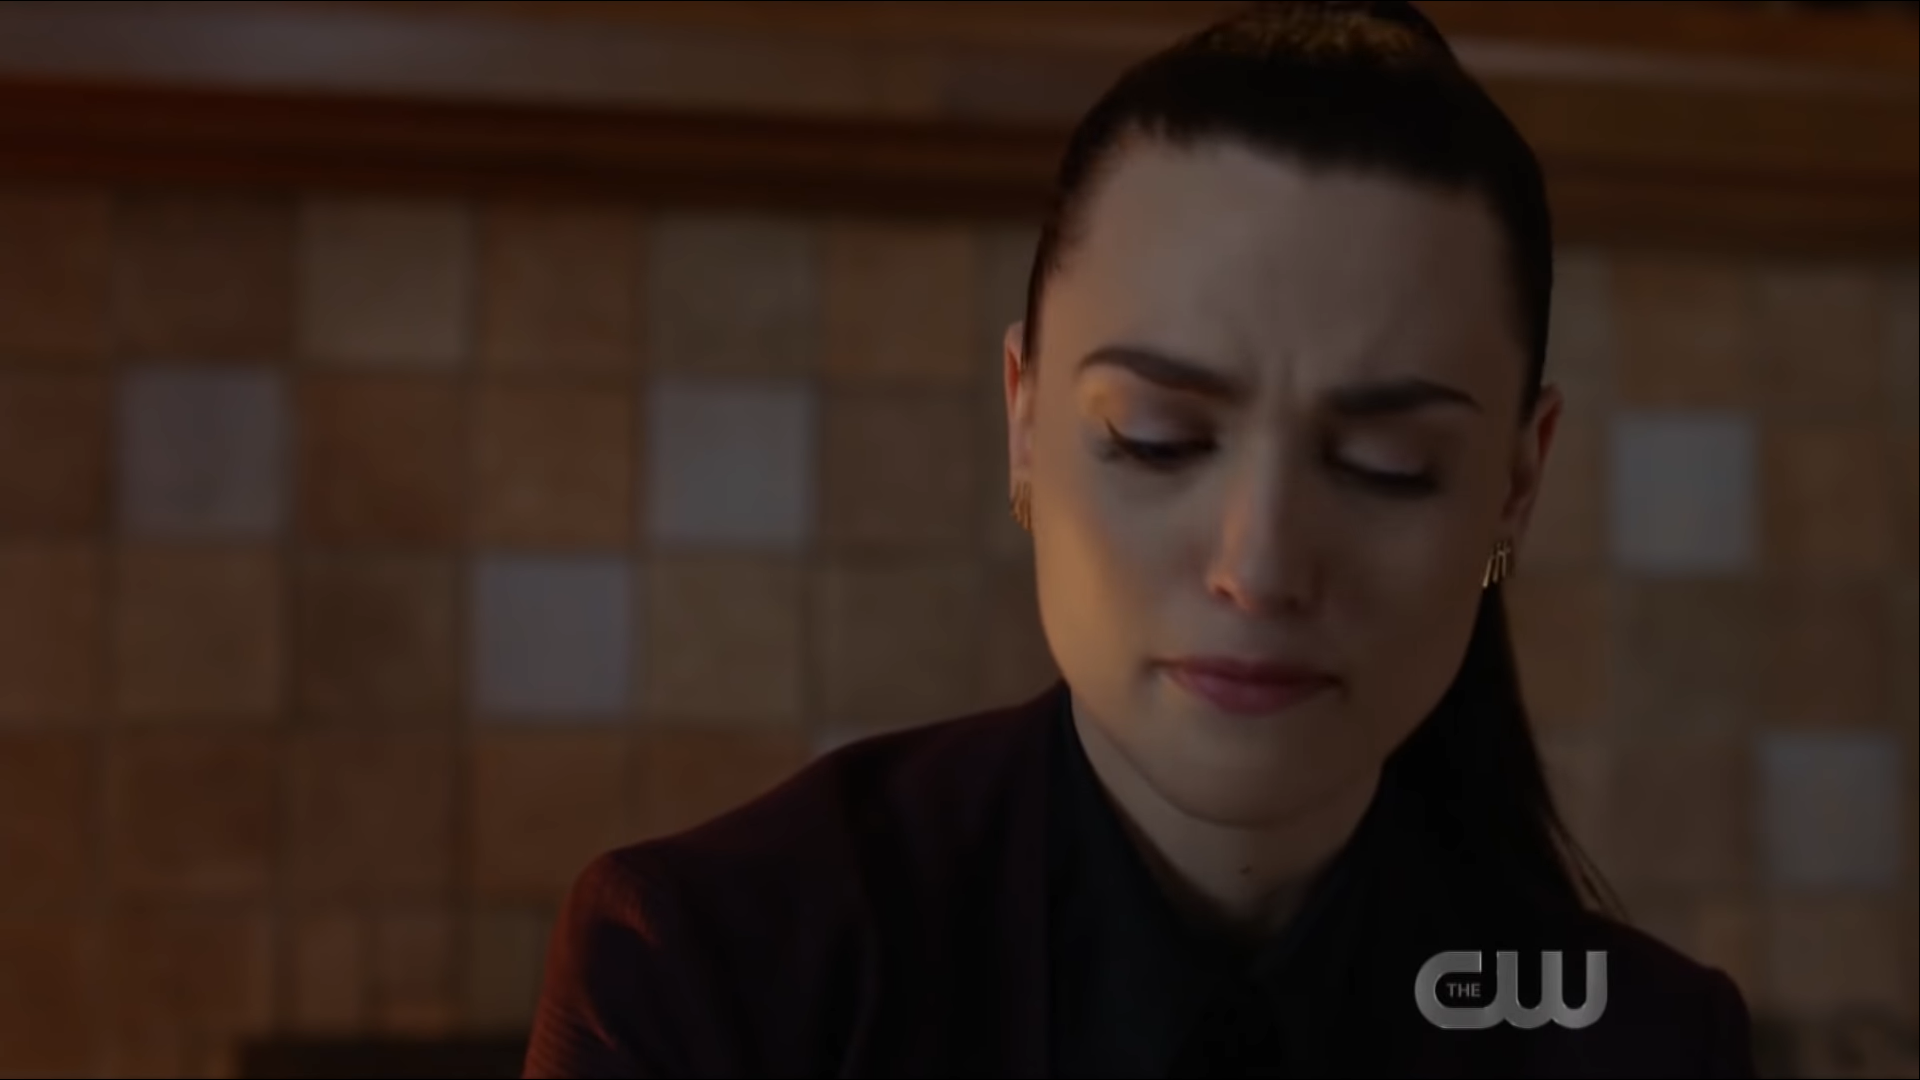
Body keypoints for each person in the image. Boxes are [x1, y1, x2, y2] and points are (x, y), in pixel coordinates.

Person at [523, 3, 1758, 1077]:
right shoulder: (715, 969)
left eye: (1389, 465)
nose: (1259, 567)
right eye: (1159, 440)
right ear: (1025, 421)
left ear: (1516, 488)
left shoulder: (1639, 1042)